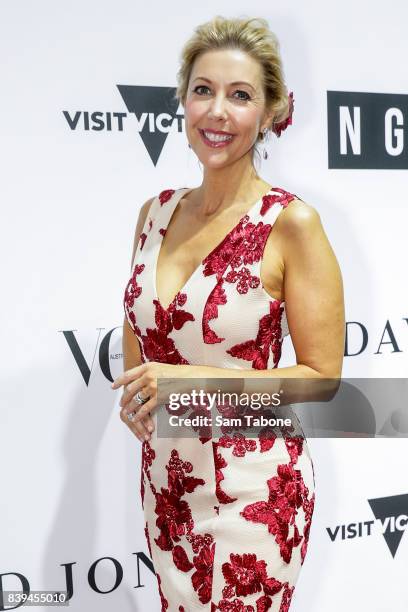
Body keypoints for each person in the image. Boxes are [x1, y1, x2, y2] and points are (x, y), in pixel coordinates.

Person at [112, 15, 345, 611]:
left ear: (269, 113)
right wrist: (139, 398)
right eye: (203, 89)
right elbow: (144, 339)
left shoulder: (291, 223)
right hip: (168, 485)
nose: (217, 111)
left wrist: (188, 383)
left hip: (253, 493)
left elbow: (322, 379)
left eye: (240, 96)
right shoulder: (155, 213)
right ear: (183, 101)